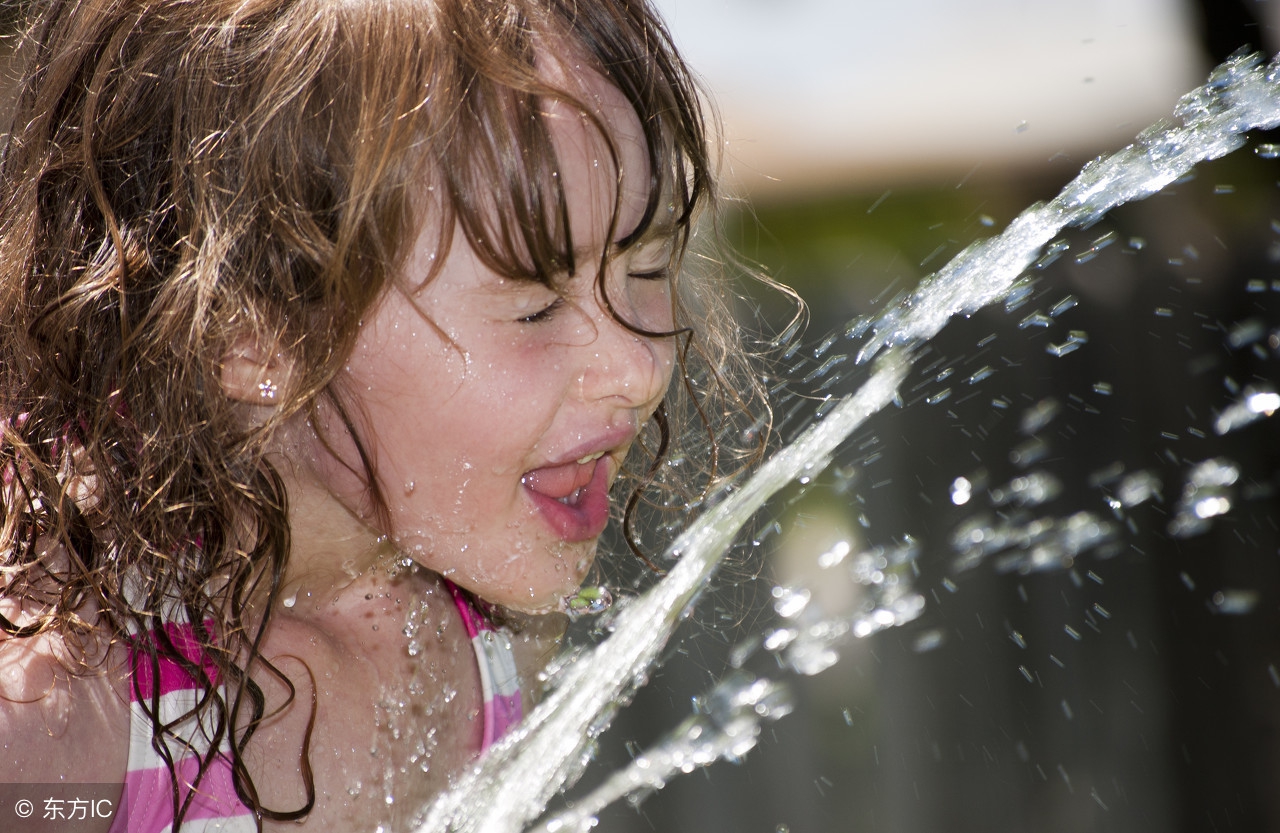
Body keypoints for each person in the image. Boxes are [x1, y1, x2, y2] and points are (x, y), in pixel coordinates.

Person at [0, 0, 771, 830]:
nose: (638, 365)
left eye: (647, 263)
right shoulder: (59, 710)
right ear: (257, 336)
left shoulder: (493, 616)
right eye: (537, 307)